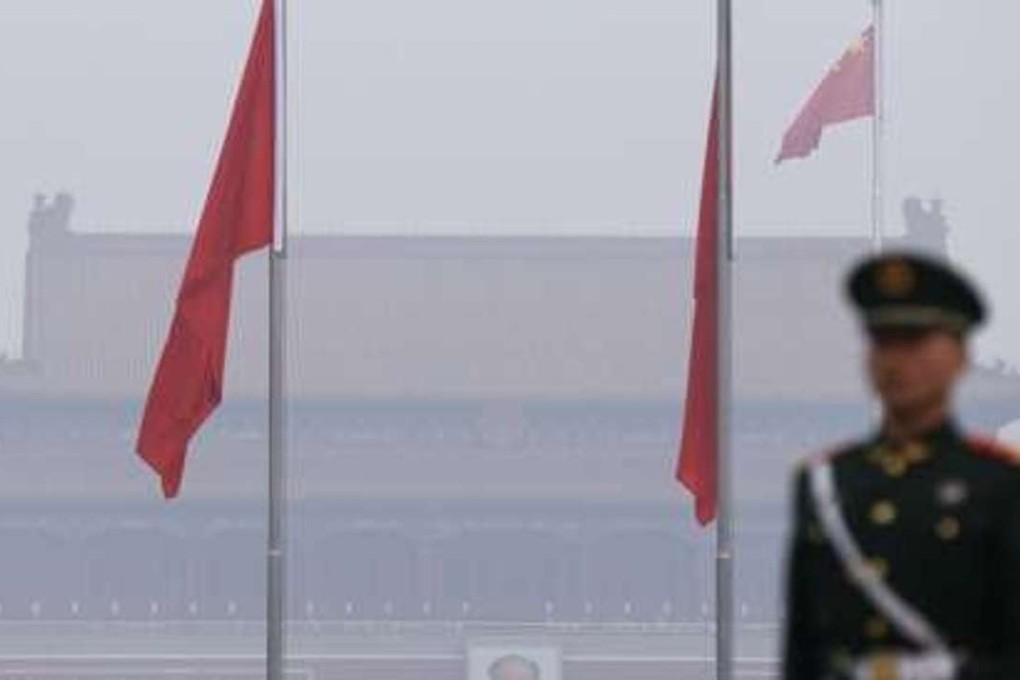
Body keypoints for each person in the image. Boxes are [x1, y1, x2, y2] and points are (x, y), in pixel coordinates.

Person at [783, 252, 1020, 679]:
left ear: (960, 356)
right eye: (882, 341)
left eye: (913, 342)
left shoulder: (999, 485)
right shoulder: (825, 483)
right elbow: (803, 654)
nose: (895, 361)